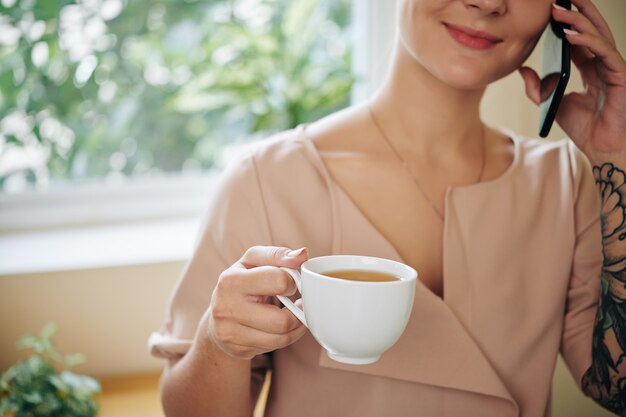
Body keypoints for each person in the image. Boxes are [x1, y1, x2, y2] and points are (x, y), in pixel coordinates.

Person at [148, 0, 626, 415]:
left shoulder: (566, 182)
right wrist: (218, 341)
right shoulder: (267, 180)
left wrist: (616, 153)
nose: (486, 2)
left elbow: (616, 388)